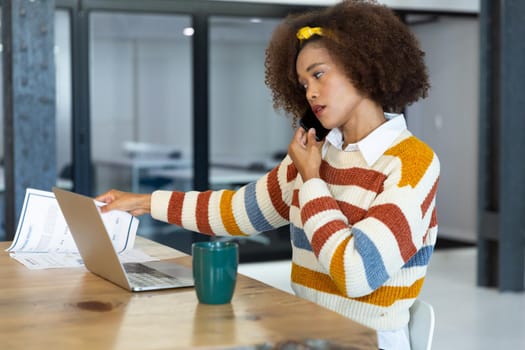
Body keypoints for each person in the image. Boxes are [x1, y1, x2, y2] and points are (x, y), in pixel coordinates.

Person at [96, 1, 439, 349]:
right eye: (304, 83)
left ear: (361, 67)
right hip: (306, 331)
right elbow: (236, 211)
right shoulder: (315, 156)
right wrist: (143, 202)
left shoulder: (412, 162)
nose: (311, 93)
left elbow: (357, 273)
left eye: (319, 74)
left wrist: (312, 179)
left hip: (367, 341)